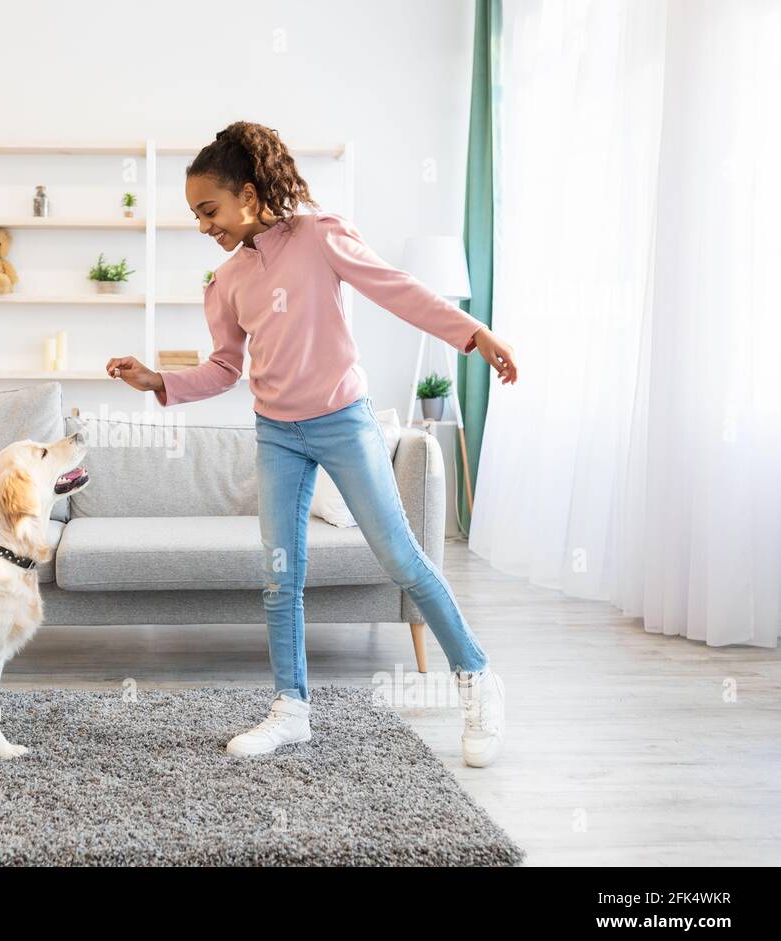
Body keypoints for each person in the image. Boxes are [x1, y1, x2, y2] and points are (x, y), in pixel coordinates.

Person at [106, 121, 519, 767]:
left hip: (342, 421)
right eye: (194, 214)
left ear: (247, 192)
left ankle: (476, 680)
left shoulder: (320, 235)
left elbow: (396, 289)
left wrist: (474, 332)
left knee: (403, 561)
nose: (202, 225)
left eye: (208, 209)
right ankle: (290, 708)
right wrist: (159, 380)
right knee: (279, 577)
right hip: (277, 434)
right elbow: (223, 368)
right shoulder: (225, 282)